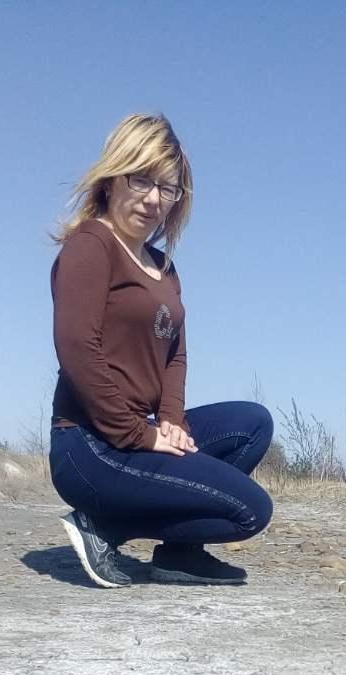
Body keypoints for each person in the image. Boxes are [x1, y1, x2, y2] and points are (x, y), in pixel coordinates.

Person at [47, 113, 274, 588]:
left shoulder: (163, 268)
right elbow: (77, 351)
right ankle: (105, 526)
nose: (153, 199)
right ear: (113, 177)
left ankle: (180, 554)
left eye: (167, 188)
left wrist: (172, 421)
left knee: (252, 425)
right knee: (251, 510)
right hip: (90, 446)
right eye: (141, 179)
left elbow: (176, 354)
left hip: (141, 432)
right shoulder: (90, 247)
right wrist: (142, 436)